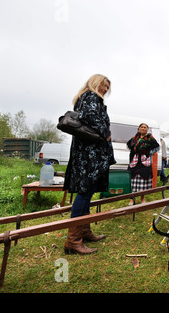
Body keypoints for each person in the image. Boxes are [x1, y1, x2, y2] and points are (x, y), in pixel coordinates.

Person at [63, 74, 116, 255]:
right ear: (95, 83)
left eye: (107, 88)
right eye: (103, 85)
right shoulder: (91, 97)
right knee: (85, 192)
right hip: (90, 155)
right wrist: (105, 132)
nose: (105, 90)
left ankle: (83, 232)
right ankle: (73, 240)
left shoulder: (85, 98)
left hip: (87, 153)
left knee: (88, 191)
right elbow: (90, 116)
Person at [127, 123, 160, 204]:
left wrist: (149, 152)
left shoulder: (150, 138)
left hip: (144, 161)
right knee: (133, 180)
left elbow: (157, 147)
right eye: (142, 127)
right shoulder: (135, 138)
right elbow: (128, 145)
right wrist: (134, 152)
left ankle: (142, 198)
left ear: (147, 129)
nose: (143, 128)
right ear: (139, 128)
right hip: (134, 161)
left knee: (143, 180)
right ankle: (132, 199)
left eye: (145, 127)